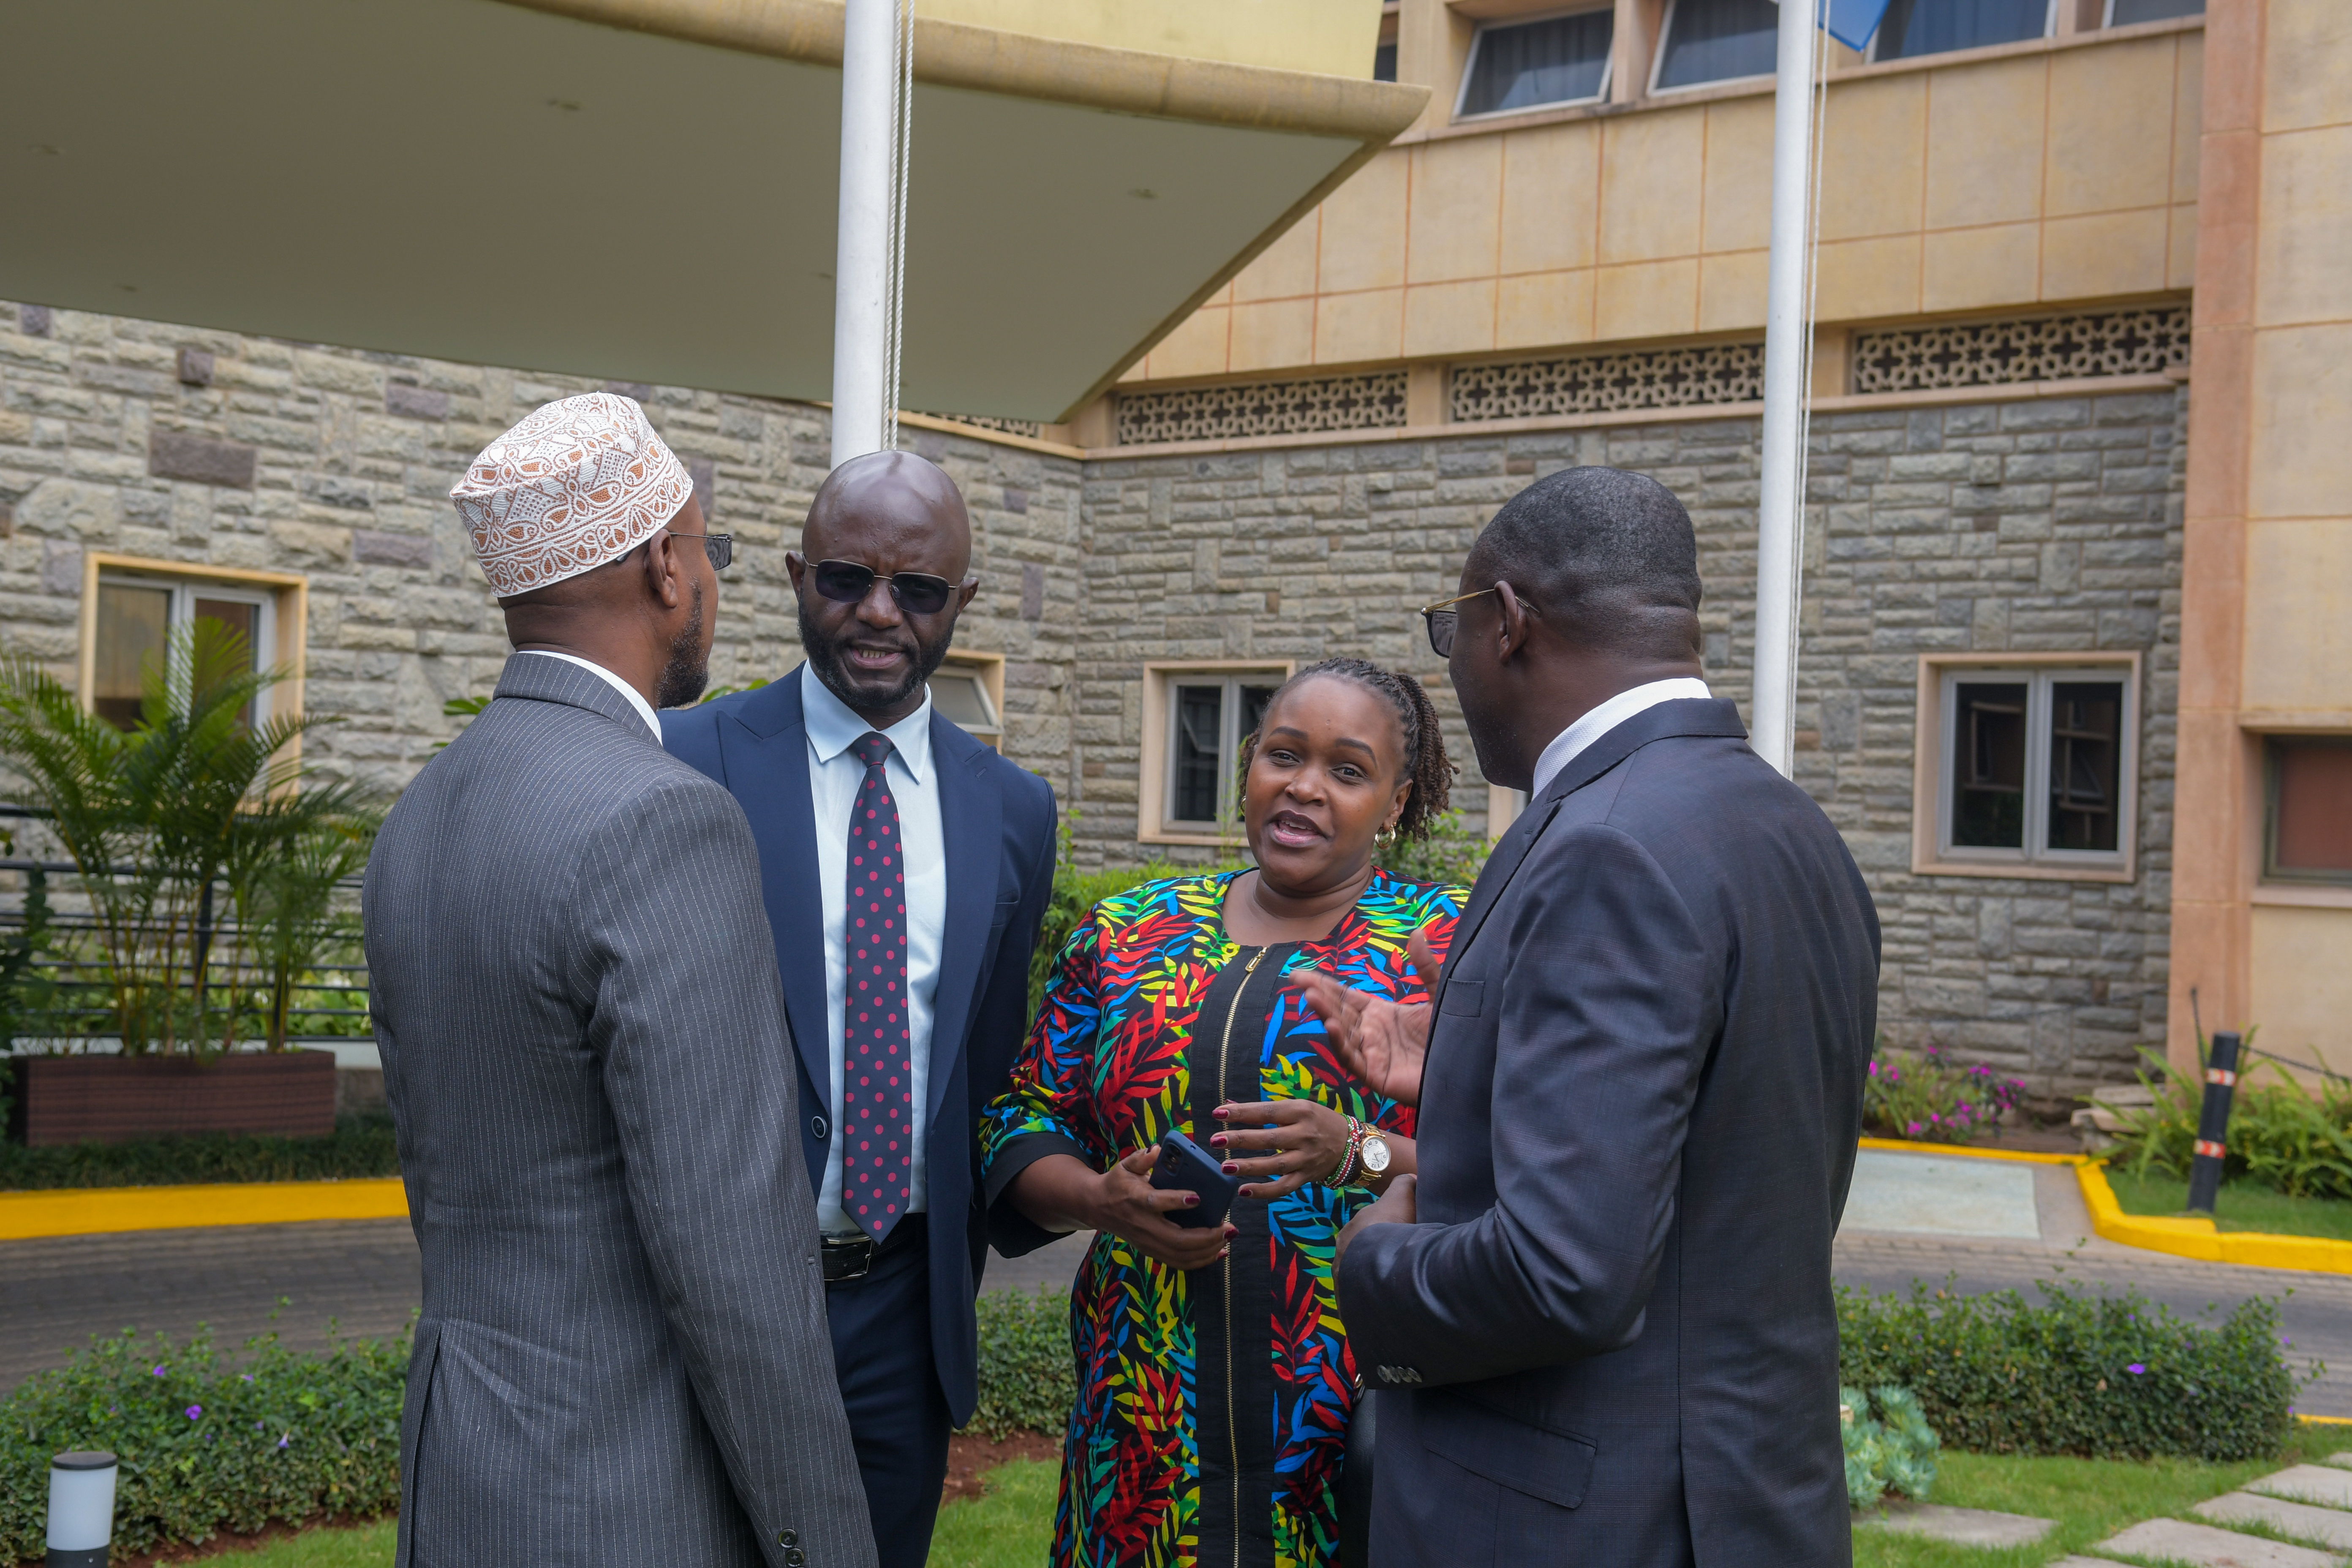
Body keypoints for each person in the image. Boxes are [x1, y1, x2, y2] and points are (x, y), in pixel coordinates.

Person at [1310, 467, 1882, 1566]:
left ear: (1509, 624)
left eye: (1454, 633)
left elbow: (1563, 1273)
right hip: (1753, 1504)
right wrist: (1474, 1062)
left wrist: (1376, 1266)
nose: (1458, 667)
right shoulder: (1792, 829)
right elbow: (1713, 1145)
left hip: (1583, 1519)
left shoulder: (1604, 841)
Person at [365, 393, 872, 1568]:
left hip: (461, 1477)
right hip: (630, 1490)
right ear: (665, 570)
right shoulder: (665, 820)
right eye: (709, 550)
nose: (710, 579)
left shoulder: (422, 813)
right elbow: (735, 1261)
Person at [662, 449, 1058, 1568]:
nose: (881, 614)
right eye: (847, 578)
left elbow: (990, 1064)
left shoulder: (1015, 810)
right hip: (725, 1301)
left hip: (904, 1311)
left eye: (920, 590)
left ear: (961, 605)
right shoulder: (684, 759)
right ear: (795, 576)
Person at [982, 658, 1467, 1568]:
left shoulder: (1448, 943)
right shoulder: (1132, 933)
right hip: (1142, 1425)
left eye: (1349, 770)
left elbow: (1533, 1162)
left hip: (1354, 1430)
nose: (1305, 786)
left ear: (1396, 804)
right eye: (1283, 754)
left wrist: (1357, 1153)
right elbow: (1020, 1115)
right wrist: (1098, 1198)